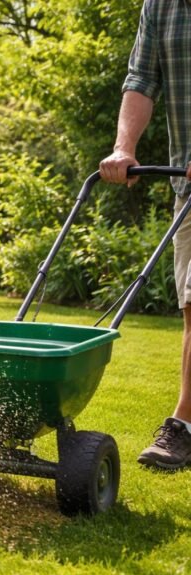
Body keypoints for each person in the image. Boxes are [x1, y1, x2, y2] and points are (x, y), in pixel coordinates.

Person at [100, 1, 191, 469]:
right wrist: (123, 148)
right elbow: (141, 80)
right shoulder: (160, 4)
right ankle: (188, 425)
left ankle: (182, 424)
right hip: (189, 186)